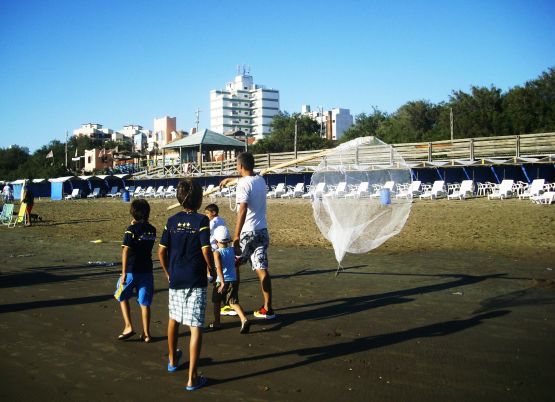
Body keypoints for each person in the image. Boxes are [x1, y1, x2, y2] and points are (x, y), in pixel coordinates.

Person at [158, 178, 214, 391]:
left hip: (176, 277)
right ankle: (192, 377)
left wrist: (167, 272)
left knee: (174, 319)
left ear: (180, 198)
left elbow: (161, 251)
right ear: (199, 199)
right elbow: (205, 249)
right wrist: (212, 269)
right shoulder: (201, 221)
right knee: (195, 326)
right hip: (195, 278)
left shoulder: (171, 221)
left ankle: (173, 360)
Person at [220, 151, 275, 320]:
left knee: (232, 264)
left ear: (241, 166)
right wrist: (232, 180)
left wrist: (236, 236)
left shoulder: (243, 185)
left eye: (237, 165)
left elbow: (242, 210)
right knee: (261, 268)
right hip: (262, 231)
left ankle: (231, 303)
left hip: (247, 233)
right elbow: (247, 179)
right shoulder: (260, 180)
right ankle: (268, 308)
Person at [114, 199, 157, 343]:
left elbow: (126, 251)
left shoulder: (130, 230)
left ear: (133, 212)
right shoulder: (152, 230)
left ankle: (128, 326)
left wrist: (124, 272)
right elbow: (143, 231)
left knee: (121, 295)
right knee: (145, 303)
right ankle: (146, 333)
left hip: (132, 270)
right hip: (147, 270)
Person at [209, 225, 250, 334]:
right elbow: (240, 253)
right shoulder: (232, 250)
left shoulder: (217, 253)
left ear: (216, 240)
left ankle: (217, 322)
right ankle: (244, 319)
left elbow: (218, 268)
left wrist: (221, 282)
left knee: (216, 302)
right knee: (232, 302)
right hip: (233, 280)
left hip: (221, 281)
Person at [204, 203, 237, 317]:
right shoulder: (222, 220)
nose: (206, 216)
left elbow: (207, 231)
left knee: (218, 269)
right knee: (225, 268)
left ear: (213, 213)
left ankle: (213, 278)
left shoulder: (213, 221)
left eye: (207, 213)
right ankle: (226, 302)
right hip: (223, 247)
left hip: (217, 248)